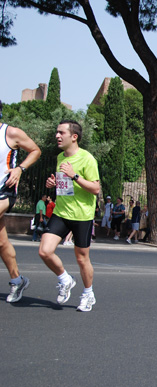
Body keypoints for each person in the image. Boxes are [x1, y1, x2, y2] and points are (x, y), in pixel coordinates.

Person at [38, 120, 100, 311]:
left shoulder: (87, 159)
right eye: (57, 132)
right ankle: (65, 279)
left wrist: (75, 176)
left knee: (82, 259)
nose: (57, 136)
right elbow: (64, 184)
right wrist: (54, 182)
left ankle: (88, 293)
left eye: (61, 133)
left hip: (82, 215)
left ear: (74, 137)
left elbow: (96, 188)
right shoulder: (60, 157)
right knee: (44, 251)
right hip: (61, 212)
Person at [0, 104, 42, 302]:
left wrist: (20, 169)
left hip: (4, 191)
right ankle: (18, 280)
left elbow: (35, 150)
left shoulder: (11, 133)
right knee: (1, 242)